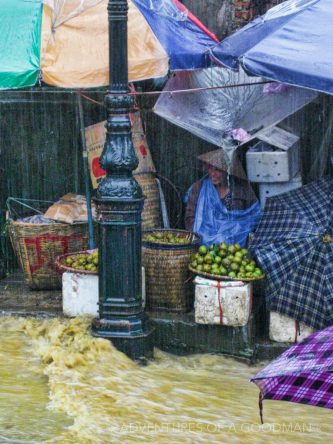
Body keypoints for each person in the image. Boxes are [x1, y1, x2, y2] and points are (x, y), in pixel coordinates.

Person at [185, 149, 261, 247]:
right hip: (203, 245)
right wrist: (202, 238)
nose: (213, 173)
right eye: (210, 168)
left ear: (227, 170)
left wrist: (234, 232)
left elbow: (254, 216)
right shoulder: (198, 188)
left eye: (217, 169)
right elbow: (190, 217)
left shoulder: (242, 189)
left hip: (236, 245)